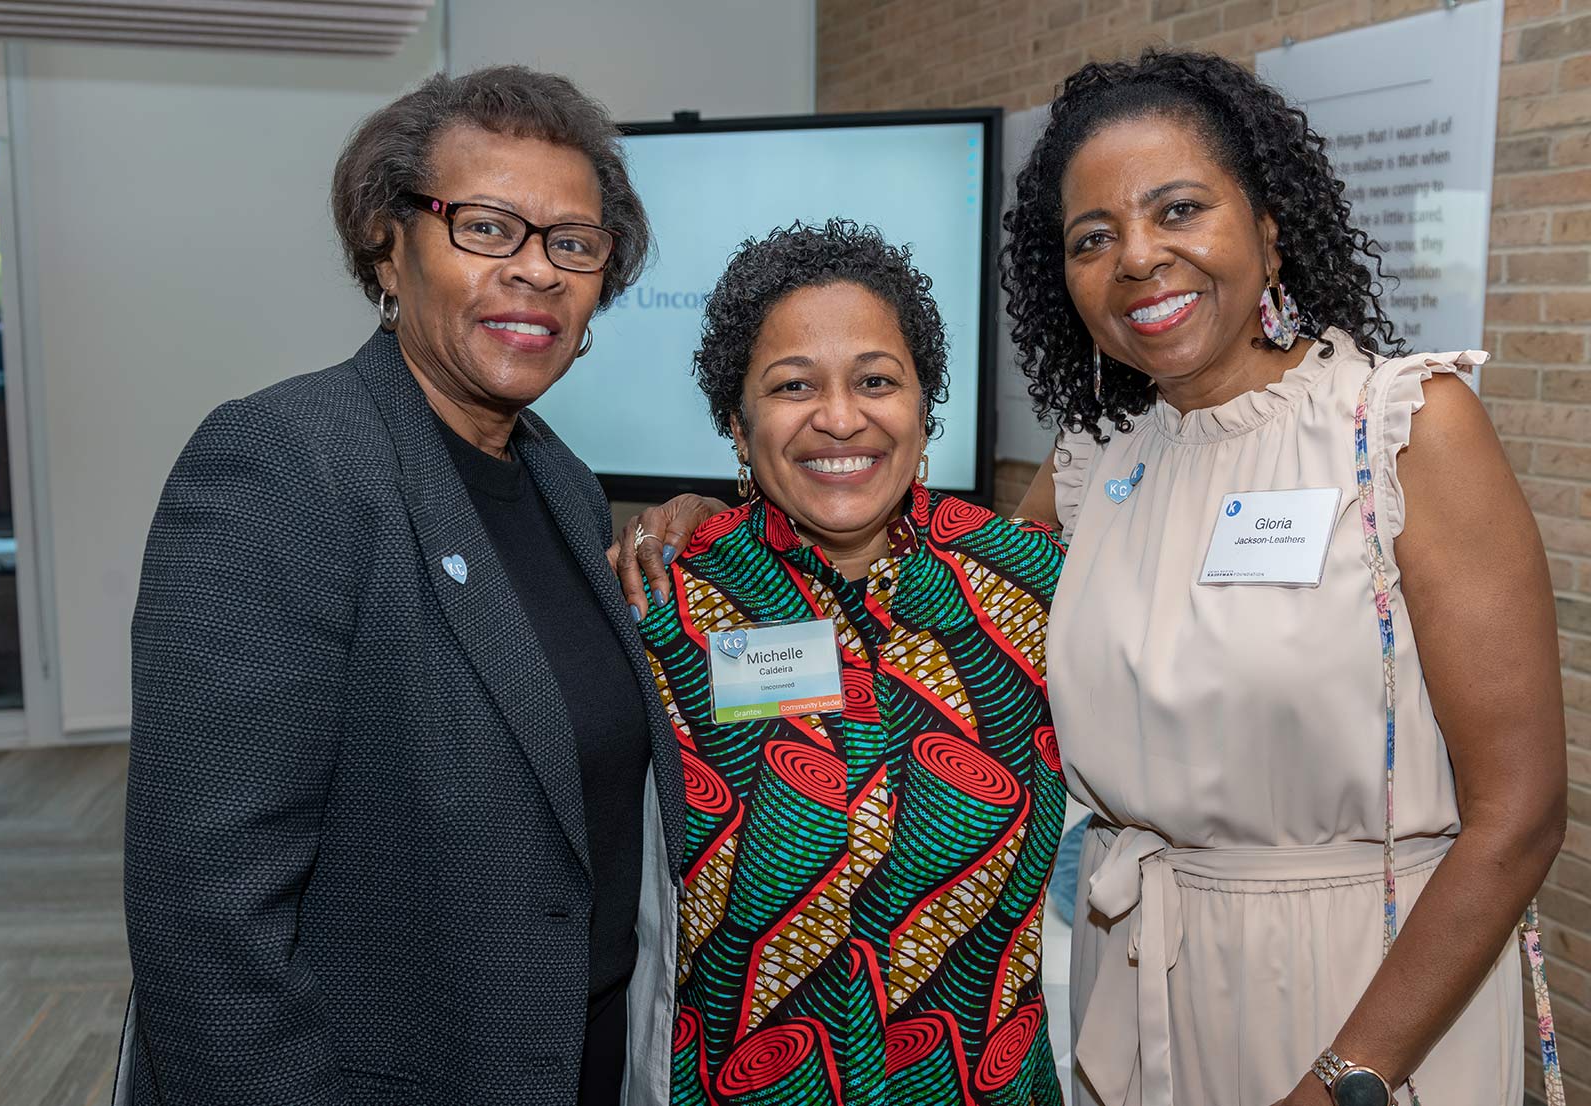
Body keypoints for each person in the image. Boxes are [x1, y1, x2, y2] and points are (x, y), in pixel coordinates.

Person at [997, 51, 1566, 1106]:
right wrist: (722, 526)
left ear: (1265, 229)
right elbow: (920, 595)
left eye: (1177, 209)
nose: (1136, 257)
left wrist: (1345, 1074)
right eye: (1092, 237)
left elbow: (1520, 811)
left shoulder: (1400, 428)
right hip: (1138, 985)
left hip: (1371, 996)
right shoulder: (1092, 466)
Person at [119, 66, 684, 1106]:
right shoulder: (283, 463)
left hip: (577, 1053)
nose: (538, 271)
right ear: (387, 241)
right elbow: (207, 917)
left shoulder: (556, 476)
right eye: (486, 227)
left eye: (573, 242)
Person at [631, 219, 1070, 1104]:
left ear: (922, 402)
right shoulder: (663, 602)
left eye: (876, 380)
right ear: (736, 418)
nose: (840, 417)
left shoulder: (1032, 587)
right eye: (794, 386)